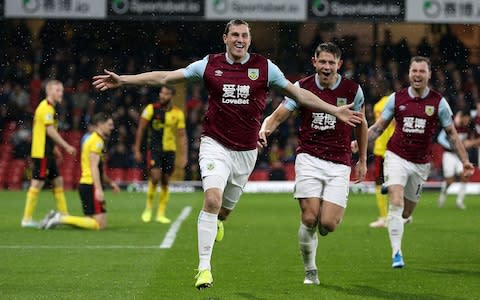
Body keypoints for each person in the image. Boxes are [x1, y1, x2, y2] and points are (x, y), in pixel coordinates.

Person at [92, 19, 363, 289]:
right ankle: (204, 269)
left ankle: (219, 220)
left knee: (222, 211)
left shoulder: (265, 68)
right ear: (225, 38)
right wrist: (123, 80)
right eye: (234, 34)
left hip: (246, 152)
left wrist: (333, 110)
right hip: (215, 144)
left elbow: (298, 94)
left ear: (249, 38)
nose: (240, 40)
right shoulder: (209, 65)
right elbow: (166, 77)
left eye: (244, 35)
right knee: (211, 199)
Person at [259, 42, 368, 285]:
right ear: (314, 62)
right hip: (309, 157)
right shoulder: (302, 88)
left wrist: (362, 159)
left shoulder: (353, 90)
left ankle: (323, 227)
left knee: (327, 223)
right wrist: (266, 129)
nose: (327, 66)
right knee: (310, 218)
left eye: (332, 62)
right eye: (323, 62)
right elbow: (278, 115)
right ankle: (310, 271)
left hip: (339, 162)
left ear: (339, 64)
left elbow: (361, 125)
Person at [366, 56, 474, 268]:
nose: (417, 75)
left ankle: (398, 209)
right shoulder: (396, 99)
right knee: (395, 202)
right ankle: (397, 253)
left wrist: (465, 161)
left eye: (421, 71)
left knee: (406, 212)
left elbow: (452, 134)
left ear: (429, 74)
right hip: (396, 155)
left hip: (420, 163)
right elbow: (378, 128)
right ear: (409, 73)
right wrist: (358, 143)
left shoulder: (438, 102)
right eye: (414, 71)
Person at [41, 113, 120, 230]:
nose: (112, 127)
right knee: (100, 225)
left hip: (86, 184)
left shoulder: (93, 139)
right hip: (90, 185)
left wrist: (110, 183)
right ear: (100, 124)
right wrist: (98, 189)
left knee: (92, 221)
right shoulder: (97, 142)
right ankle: (60, 218)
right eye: (109, 124)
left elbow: (97, 168)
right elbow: (94, 167)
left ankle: (57, 218)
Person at [21, 80, 76, 228]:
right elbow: (50, 131)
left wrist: (55, 150)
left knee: (58, 181)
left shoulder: (50, 107)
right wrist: (65, 146)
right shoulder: (46, 108)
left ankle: (64, 215)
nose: (61, 93)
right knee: (37, 183)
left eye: (61, 90)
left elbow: (46, 133)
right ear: (49, 91)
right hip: (41, 153)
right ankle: (26, 219)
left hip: (47, 152)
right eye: (58, 90)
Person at [134, 85, 187, 224]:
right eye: (161, 93)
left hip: (170, 151)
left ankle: (160, 213)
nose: (162, 96)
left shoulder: (178, 113)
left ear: (171, 96)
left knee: (165, 181)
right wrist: (137, 149)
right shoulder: (151, 109)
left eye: (166, 93)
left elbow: (182, 136)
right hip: (155, 149)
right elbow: (141, 129)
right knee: (155, 177)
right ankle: (148, 208)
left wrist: (183, 156)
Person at [437, 109, 479, 209]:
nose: (467, 121)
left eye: (468, 120)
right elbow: (440, 138)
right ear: (462, 117)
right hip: (449, 154)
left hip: (461, 156)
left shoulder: (470, 127)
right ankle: (442, 196)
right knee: (449, 181)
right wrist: (452, 147)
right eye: (465, 119)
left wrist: (470, 143)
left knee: (465, 175)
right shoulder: (451, 125)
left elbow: (476, 138)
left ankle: (459, 202)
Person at [368, 94, 395, 228]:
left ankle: (390, 216)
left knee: (392, 183)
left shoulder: (391, 102)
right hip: (381, 149)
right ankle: (386, 217)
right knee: (381, 182)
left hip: (390, 148)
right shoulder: (378, 105)